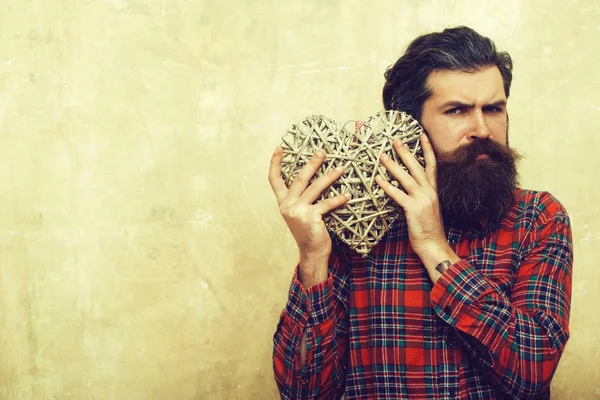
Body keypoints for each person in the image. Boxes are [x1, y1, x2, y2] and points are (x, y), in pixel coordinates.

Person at [268, 26, 573, 400]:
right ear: (408, 127)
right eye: (457, 110)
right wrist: (313, 258)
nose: (482, 129)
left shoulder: (537, 217)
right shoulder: (356, 224)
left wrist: (433, 245)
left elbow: (532, 371)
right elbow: (303, 392)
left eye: (493, 109)